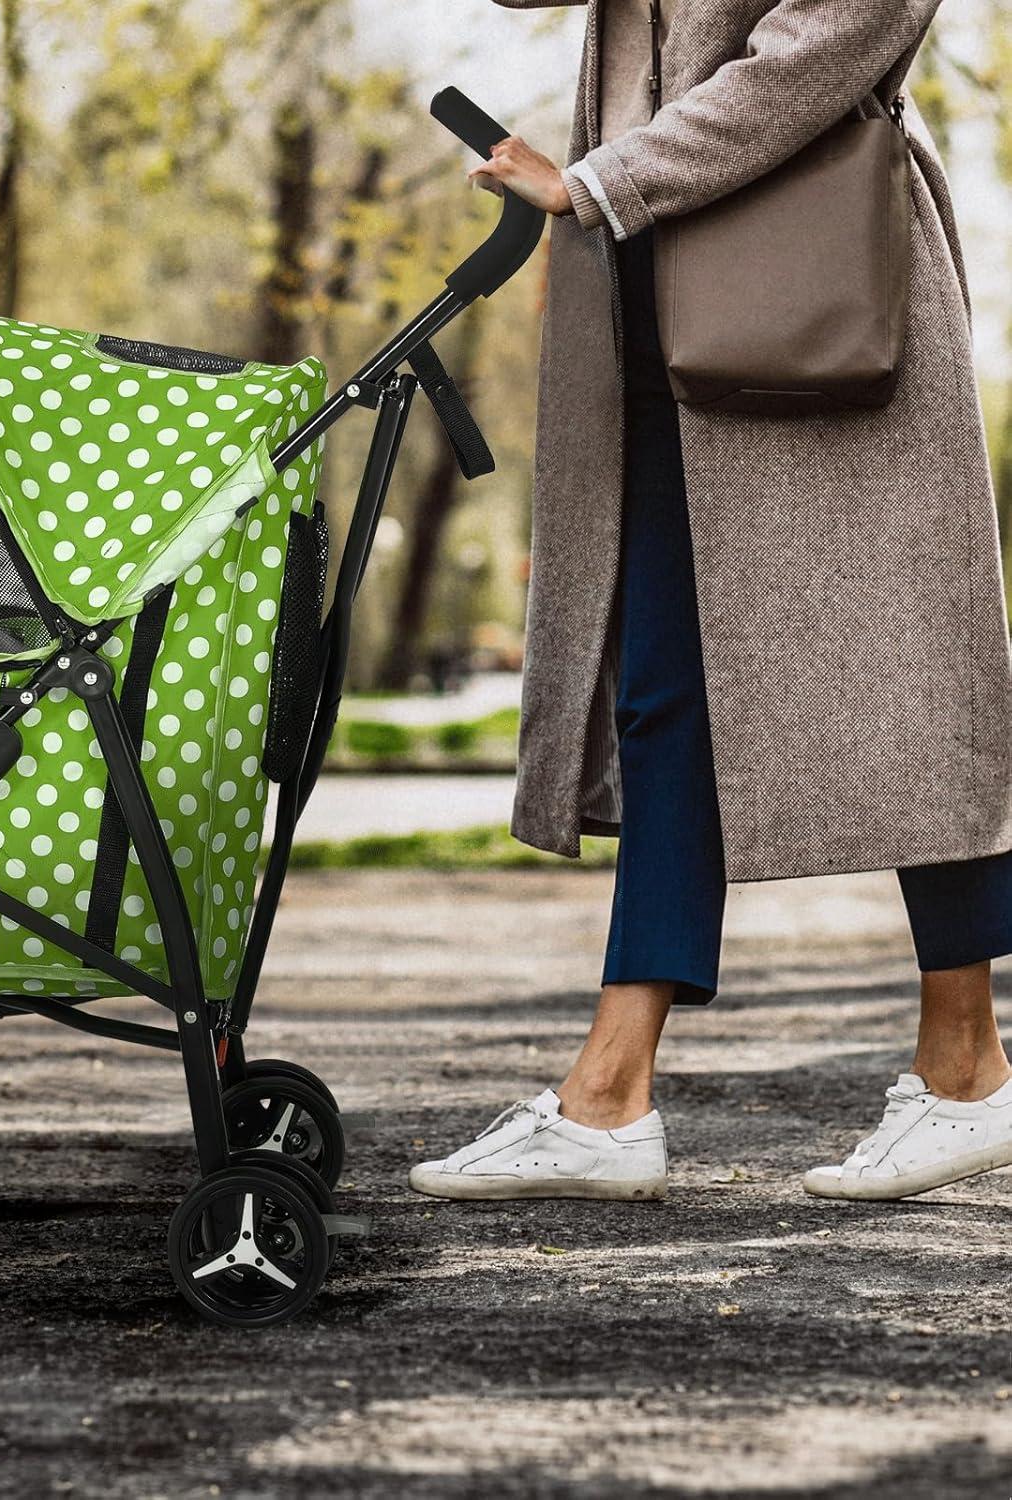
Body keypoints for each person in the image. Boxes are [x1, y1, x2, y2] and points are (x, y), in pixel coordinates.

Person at [412, 0, 1012, 1204]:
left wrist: (599, 183)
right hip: (651, 288)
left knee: (913, 674)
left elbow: (826, 46)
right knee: (663, 685)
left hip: (816, 289)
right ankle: (609, 1094)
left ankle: (966, 1067)